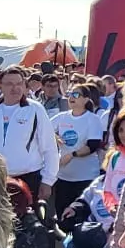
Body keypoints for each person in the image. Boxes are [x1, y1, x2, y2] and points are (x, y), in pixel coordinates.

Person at [0, 68, 58, 201]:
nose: (15, 88)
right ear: (1, 86)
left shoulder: (35, 109)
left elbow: (50, 148)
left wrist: (48, 181)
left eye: (19, 83)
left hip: (29, 178)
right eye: (10, 84)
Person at [49, 86, 106, 214]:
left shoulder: (92, 119)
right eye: (70, 94)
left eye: (76, 95)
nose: (71, 98)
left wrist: (72, 155)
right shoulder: (62, 117)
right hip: (63, 176)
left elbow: (92, 145)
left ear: (86, 99)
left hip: (85, 177)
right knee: (61, 213)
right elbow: (44, 129)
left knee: (80, 215)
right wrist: (55, 137)